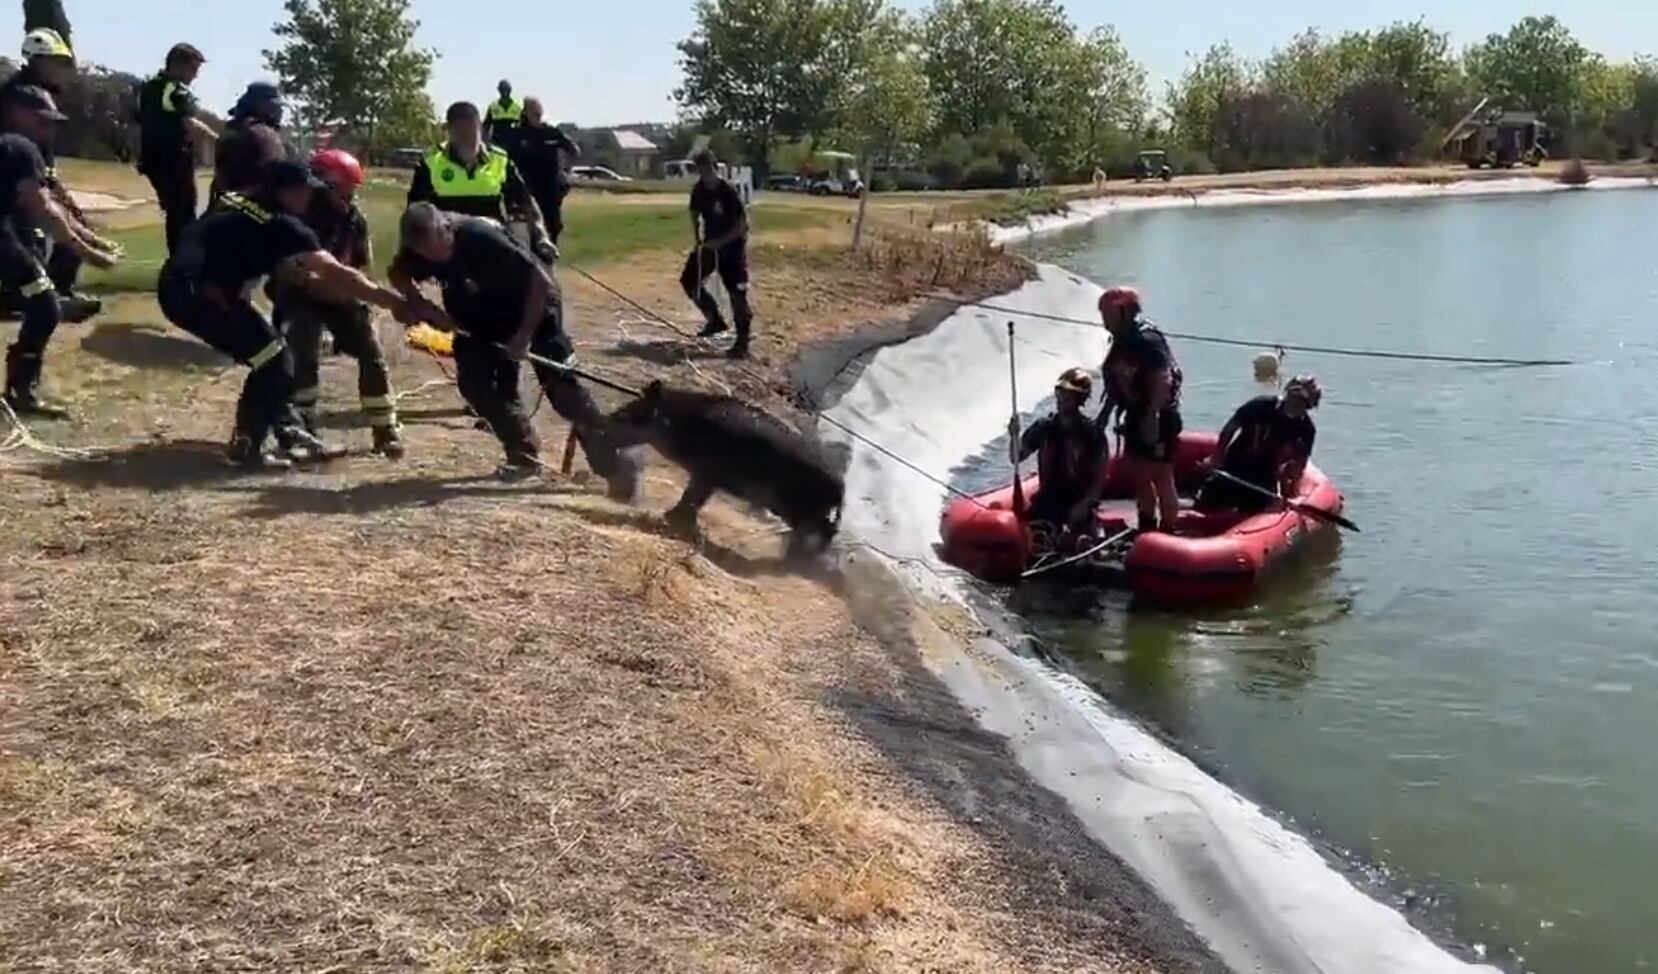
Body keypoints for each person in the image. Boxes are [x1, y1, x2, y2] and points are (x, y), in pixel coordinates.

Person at [158, 160, 410, 469]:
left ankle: (271, 435)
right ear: (289, 192)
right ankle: (249, 447)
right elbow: (337, 273)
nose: (310, 197)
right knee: (275, 361)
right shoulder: (282, 224)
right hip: (204, 296)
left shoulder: (236, 198)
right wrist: (392, 302)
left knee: (272, 358)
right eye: (306, 191)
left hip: (177, 286)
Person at [390, 201, 639, 497]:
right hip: (480, 319)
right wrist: (424, 306)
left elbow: (540, 282)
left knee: (564, 392)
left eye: (440, 250)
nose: (436, 259)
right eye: (426, 255)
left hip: (534, 308)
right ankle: (524, 453)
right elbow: (398, 273)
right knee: (477, 385)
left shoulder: (481, 237)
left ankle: (616, 465)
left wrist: (523, 336)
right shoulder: (420, 242)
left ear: (447, 229)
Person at [271, 148, 404, 459]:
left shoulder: (355, 221)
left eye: (351, 190)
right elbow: (284, 267)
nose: (349, 196)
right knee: (303, 351)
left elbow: (361, 265)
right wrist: (314, 284)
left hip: (341, 294)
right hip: (297, 295)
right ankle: (300, 429)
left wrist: (352, 292)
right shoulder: (294, 217)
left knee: (371, 353)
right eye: (344, 188)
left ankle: (385, 430)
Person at [0, 85, 119, 418]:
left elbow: (51, 204)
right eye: (43, 120)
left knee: (41, 304)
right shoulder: (20, 148)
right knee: (45, 306)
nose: (50, 129)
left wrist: (88, 239)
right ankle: (21, 392)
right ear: (17, 113)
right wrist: (87, 252)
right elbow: (43, 209)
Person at [0, 27, 102, 322]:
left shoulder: (39, 93)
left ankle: (58, 291)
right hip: (16, 178)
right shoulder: (20, 95)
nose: (61, 70)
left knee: (64, 225)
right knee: (31, 236)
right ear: (37, 61)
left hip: (34, 173)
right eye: (56, 63)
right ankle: (28, 298)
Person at [407, 101, 556, 264]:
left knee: (524, 238)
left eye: (472, 132)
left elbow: (526, 203)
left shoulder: (500, 160)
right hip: (448, 245)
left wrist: (542, 237)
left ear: (480, 128)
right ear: (448, 131)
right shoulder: (431, 162)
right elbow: (415, 212)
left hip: (492, 241)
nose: (467, 139)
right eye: (460, 133)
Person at [1097, 285, 1184, 534]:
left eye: (1107, 313)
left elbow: (1162, 379)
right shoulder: (1121, 342)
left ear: (1123, 312)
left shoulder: (1147, 340)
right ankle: (1147, 523)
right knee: (1138, 473)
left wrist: (1152, 416)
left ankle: (1168, 528)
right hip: (1135, 413)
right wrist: (1103, 417)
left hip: (1159, 415)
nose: (1103, 319)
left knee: (1161, 474)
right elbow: (1116, 382)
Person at [1196, 375, 1322, 515]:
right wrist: (1216, 458)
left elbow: (1299, 463)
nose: (1295, 402)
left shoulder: (1306, 429)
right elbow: (1230, 428)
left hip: (1264, 479)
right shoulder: (1260, 405)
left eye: (1301, 401)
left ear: (1309, 405)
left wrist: (1291, 492)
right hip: (1233, 466)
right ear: (1287, 392)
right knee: (1207, 502)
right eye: (1293, 396)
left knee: (1253, 512)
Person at [137, 42, 215, 253]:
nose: (195, 76)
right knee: (183, 213)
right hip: (172, 158)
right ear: (179, 65)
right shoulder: (175, 88)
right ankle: (181, 266)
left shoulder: (150, 85)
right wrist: (217, 139)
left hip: (151, 157)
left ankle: (178, 260)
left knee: (176, 211)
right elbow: (189, 124)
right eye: (193, 69)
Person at [1011, 368, 1110, 533]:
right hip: (1047, 501)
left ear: (1079, 399)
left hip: (1077, 503)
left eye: (1067, 395)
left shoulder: (1092, 434)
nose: (1061, 399)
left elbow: (1099, 478)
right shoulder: (1044, 427)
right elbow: (1016, 458)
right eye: (1060, 393)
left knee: (1075, 539)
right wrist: (1014, 436)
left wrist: (1084, 505)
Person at [681, 149, 753, 359]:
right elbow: (694, 213)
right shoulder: (699, 190)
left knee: (737, 294)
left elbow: (743, 225)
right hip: (710, 246)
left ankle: (742, 344)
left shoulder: (727, 191)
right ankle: (715, 321)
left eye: (706, 168)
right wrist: (697, 240)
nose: (703, 173)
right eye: (699, 169)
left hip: (732, 249)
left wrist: (720, 242)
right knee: (689, 281)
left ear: (714, 167)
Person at [510, 97, 579, 246]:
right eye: (533, 110)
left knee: (554, 225)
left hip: (550, 187)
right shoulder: (517, 134)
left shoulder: (551, 132)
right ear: (525, 112)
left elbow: (573, 150)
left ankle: (550, 255)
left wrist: (566, 171)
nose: (537, 113)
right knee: (527, 228)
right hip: (526, 188)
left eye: (538, 110)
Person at [210, 82, 290, 209]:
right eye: (275, 105)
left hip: (224, 207)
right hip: (255, 212)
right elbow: (279, 175)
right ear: (261, 105)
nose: (280, 110)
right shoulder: (263, 133)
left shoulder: (231, 130)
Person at [483, 80, 523, 148]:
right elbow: (486, 126)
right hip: (497, 143)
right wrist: (484, 141)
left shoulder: (518, 107)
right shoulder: (493, 107)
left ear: (510, 91)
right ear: (499, 91)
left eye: (507, 90)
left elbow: (524, 125)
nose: (504, 92)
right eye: (502, 90)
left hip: (514, 143)